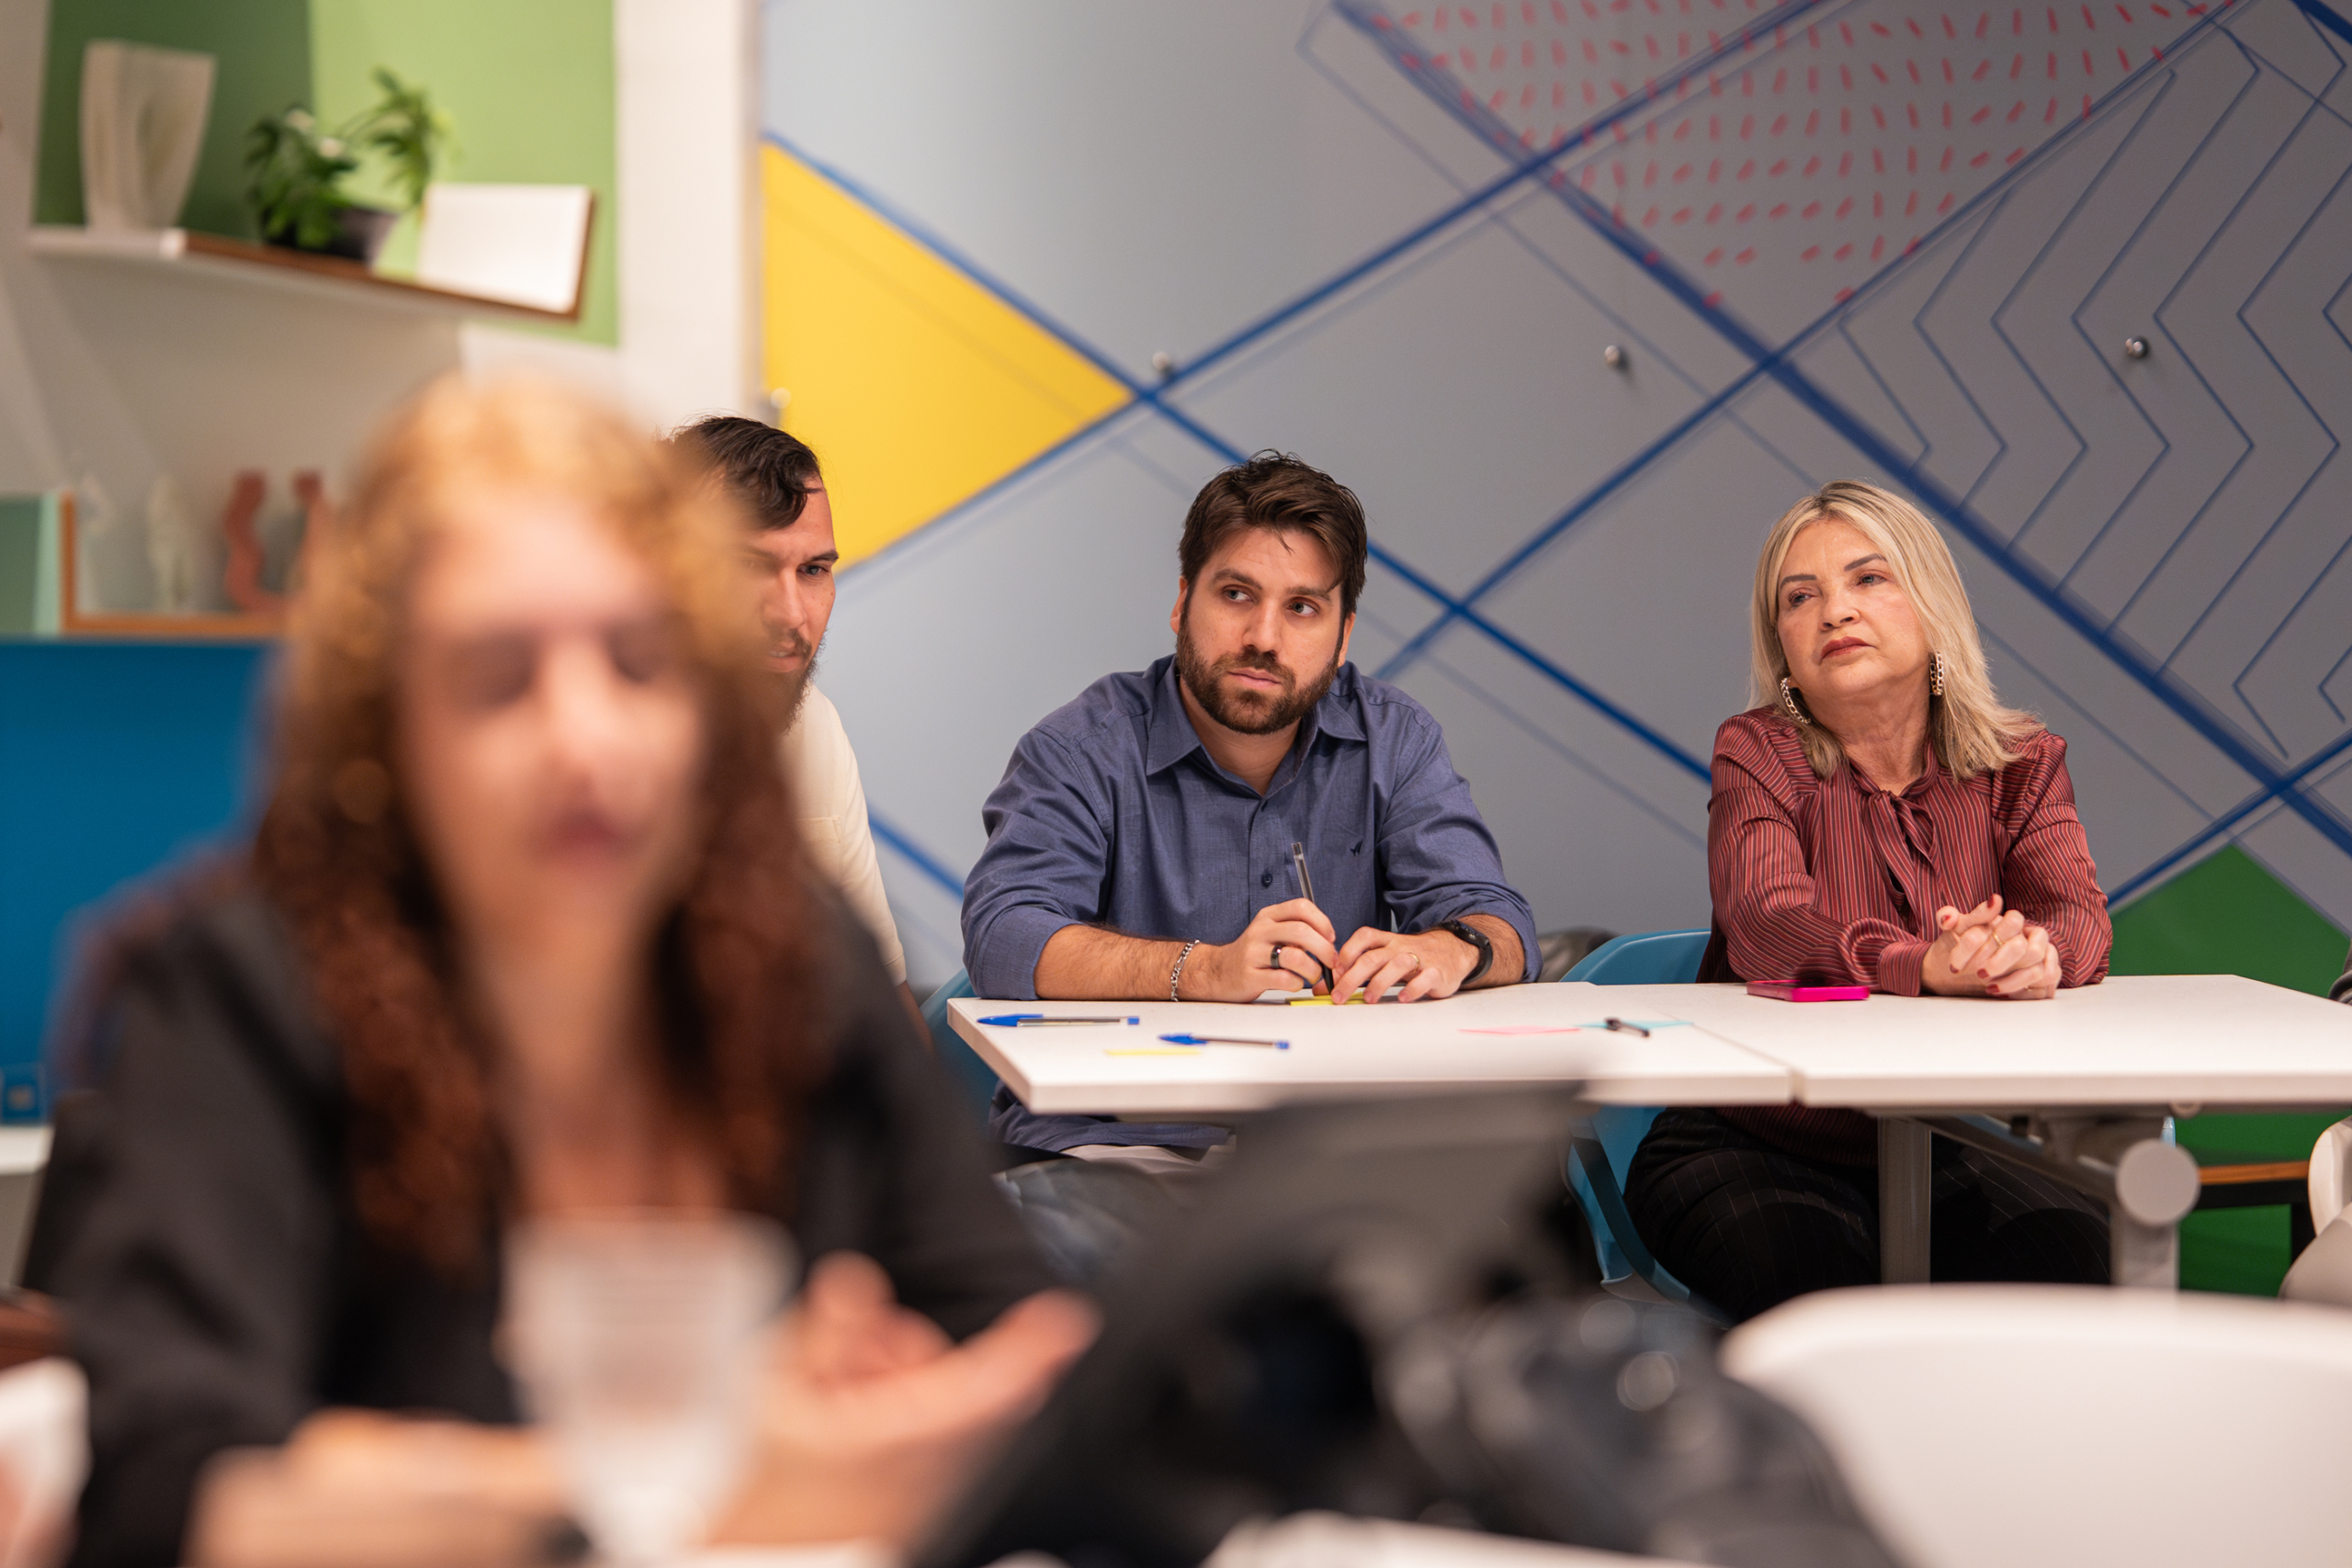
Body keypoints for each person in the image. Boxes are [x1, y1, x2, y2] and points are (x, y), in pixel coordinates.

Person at [40, 378, 1093, 1568]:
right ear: (386, 725)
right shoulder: (245, 990)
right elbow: (165, 1495)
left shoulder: (799, 959)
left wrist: (894, 1419)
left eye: (641, 663)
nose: (585, 739)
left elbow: (1026, 1362)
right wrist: (689, 1482)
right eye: (499, 676)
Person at [960, 451, 1538, 1168]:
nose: (1264, 637)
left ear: (1343, 636)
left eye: (1302, 608)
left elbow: (1501, 922)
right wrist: (1203, 971)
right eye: (1236, 594)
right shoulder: (1082, 747)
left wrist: (1452, 949)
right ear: (1182, 602)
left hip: (1325, 1161)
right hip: (1110, 1148)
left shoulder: (1395, 739)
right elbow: (1004, 936)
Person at [1624, 479, 2113, 1322]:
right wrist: (1924, 963)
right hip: (1753, 1139)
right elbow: (1768, 925)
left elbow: (2078, 918)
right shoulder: (1756, 750)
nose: (1835, 611)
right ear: (1781, 645)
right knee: (1819, 1290)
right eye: (1800, 597)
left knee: (2075, 1257)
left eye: (1869, 578)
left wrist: (2029, 954)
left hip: (1946, 1139)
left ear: (1932, 603)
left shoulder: (2022, 762)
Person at [671, 417, 918, 1025]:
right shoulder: (581, 752)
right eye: (748, 565)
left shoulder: (815, 729)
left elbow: (885, 1006)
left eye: (813, 570)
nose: (789, 614)